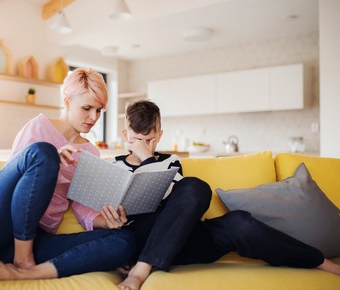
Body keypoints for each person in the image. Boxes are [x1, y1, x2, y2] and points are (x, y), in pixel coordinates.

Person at [111, 100, 340, 290]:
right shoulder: (114, 166)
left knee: (206, 195)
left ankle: (319, 261)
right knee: (188, 191)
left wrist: (149, 160)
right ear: (125, 134)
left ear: (159, 135)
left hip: (178, 239)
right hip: (140, 237)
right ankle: (141, 270)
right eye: (137, 140)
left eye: (149, 140)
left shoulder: (170, 161)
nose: (143, 145)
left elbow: (178, 203)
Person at [0, 68, 137, 283]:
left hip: (34, 237)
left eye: (99, 110)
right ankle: (23, 261)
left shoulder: (91, 152)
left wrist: (107, 221)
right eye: (87, 108)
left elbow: (80, 205)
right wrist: (51, 157)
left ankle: (23, 272)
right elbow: (16, 176)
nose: (94, 117)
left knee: (125, 241)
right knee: (43, 153)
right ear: (67, 102)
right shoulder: (38, 126)